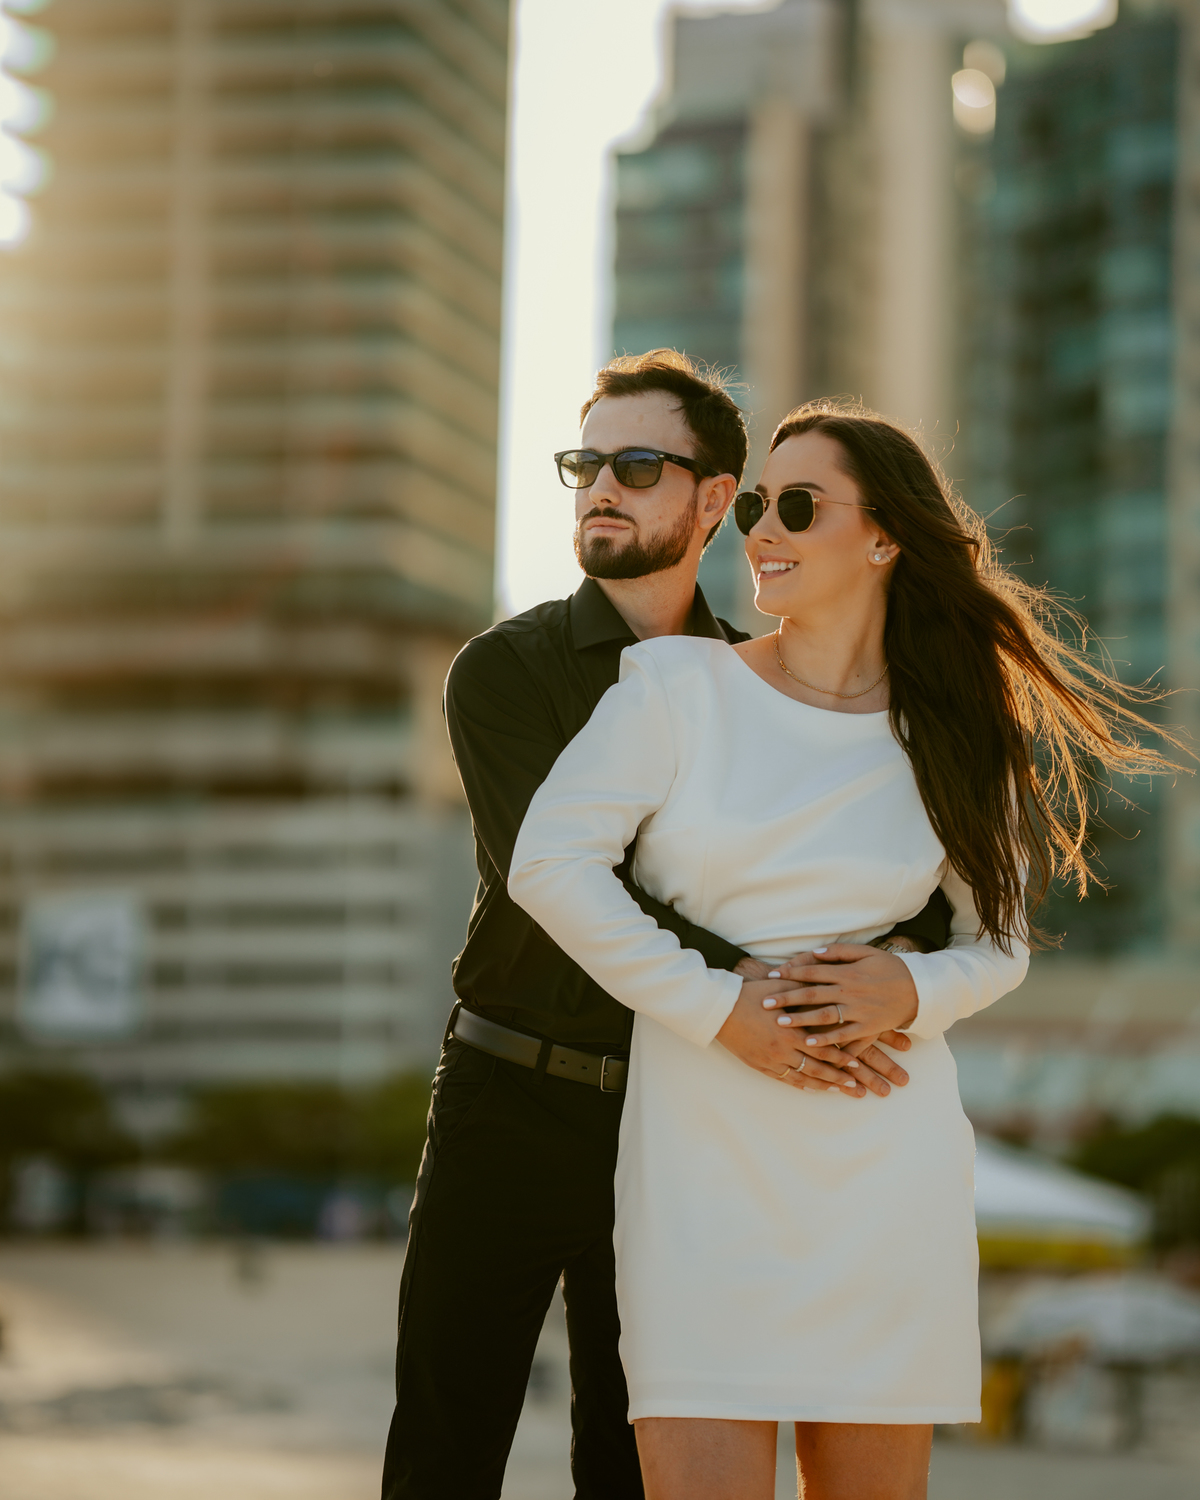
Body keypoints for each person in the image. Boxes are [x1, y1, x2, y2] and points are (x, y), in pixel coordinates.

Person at [508, 399, 1173, 1500]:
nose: (764, 530)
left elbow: (999, 943)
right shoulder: (678, 685)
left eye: (799, 506)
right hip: (701, 1171)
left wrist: (907, 986)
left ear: (885, 536)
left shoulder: (955, 728)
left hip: (885, 1170)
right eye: (758, 507)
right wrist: (719, 1009)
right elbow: (549, 864)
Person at [381, 355, 951, 1500]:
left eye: (637, 465)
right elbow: (571, 884)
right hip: (510, 1094)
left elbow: (891, 889)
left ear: (713, 498)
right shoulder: (500, 671)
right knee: (446, 1445)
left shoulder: (763, 680)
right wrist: (774, 994)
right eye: (585, 463)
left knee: (632, 1463)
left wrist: (896, 972)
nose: (601, 486)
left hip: (680, 1113)